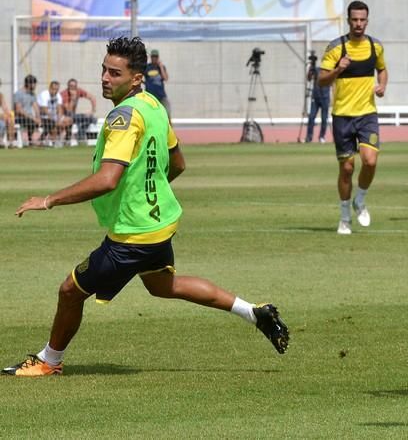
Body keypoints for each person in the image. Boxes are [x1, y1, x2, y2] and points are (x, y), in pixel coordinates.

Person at [2, 37, 289, 377]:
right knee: (163, 285)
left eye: (115, 73)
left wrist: (48, 200)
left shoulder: (123, 117)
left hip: (134, 234)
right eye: (104, 71)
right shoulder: (153, 105)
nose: (106, 79)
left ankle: (49, 361)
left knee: (69, 291)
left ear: (136, 78)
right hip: (158, 222)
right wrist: (148, 188)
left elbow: (108, 179)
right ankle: (253, 312)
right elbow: (178, 163)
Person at [318, 0, 388, 235]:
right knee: (347, 168)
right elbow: (321, 80)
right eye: (354, 20)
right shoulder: (336, 47)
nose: (358, 24)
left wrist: (382, 85)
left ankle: (361, 198)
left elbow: (382, 69)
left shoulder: (375, 46)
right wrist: (338, 69)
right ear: (348, 21)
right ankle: (345, 215)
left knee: (370, 161)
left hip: (367, 114)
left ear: (367, 21)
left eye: (362, 20)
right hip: (342, 117)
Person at [61, 78, 97, 144]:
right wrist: (72, 98)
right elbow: (68, 110)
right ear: (68, 86)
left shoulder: (78, 90)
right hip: (64, 116)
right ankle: (76, 137)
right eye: (71, 86)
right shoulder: (64, 94)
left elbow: (92, 98)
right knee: (70, 122)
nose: (72, 88)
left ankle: (79, 135)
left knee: (92, 119)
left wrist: (92, 111)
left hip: (73, 116)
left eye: (74, 86)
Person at [305, 52, 330, 143]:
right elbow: (309, 78)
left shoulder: (329, 70)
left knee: (324, 118)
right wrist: (311, 69)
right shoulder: (316, 69)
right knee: (311, 117)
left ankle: (322, 136)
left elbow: (330, 81)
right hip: (315, 97)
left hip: (325, 97)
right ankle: (309, 137)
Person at [37, 81, 71, 147]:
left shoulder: (58, 95)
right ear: (50, 88)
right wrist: (55, 120)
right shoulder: (44, 94)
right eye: (53, 89)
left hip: (54, 116)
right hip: (44, 116)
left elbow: (59, 108)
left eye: (57, 89)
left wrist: (59, 118)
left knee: (69, 120)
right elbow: (44, 109)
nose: (55, 91)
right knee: (54, 124)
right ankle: (53, 142)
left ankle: (67, 141)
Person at [13, 74, 41, 147]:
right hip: (20, 117)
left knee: (49, 122)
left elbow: (36, 107)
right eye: (34, 84)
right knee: (31, 122)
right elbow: (18, 110)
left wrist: (38, 117)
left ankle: (42, 140)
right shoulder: (18, 94)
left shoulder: (32, 94)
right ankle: (31, 141)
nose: (35, 86)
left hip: (30, 117)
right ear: (29, 84)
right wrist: (33, 118)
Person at [144, 49, 171, 116]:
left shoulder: (161, 67)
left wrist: (161, 67)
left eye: (156, 57)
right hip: (150, 95)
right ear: (151, 57)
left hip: (161, 95)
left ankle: (169, 126)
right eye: (153, 56)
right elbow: (139, 76)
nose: (154, 58)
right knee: (150, 114)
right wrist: (145, 83)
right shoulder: (147, 67)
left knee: (167, 113)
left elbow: (166, 78)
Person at [0, 79, 17, 148]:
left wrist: (8, 114)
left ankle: (11, 142)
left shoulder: (0, 96)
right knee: (3, 121)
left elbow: (5, 108)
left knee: (10, 119)